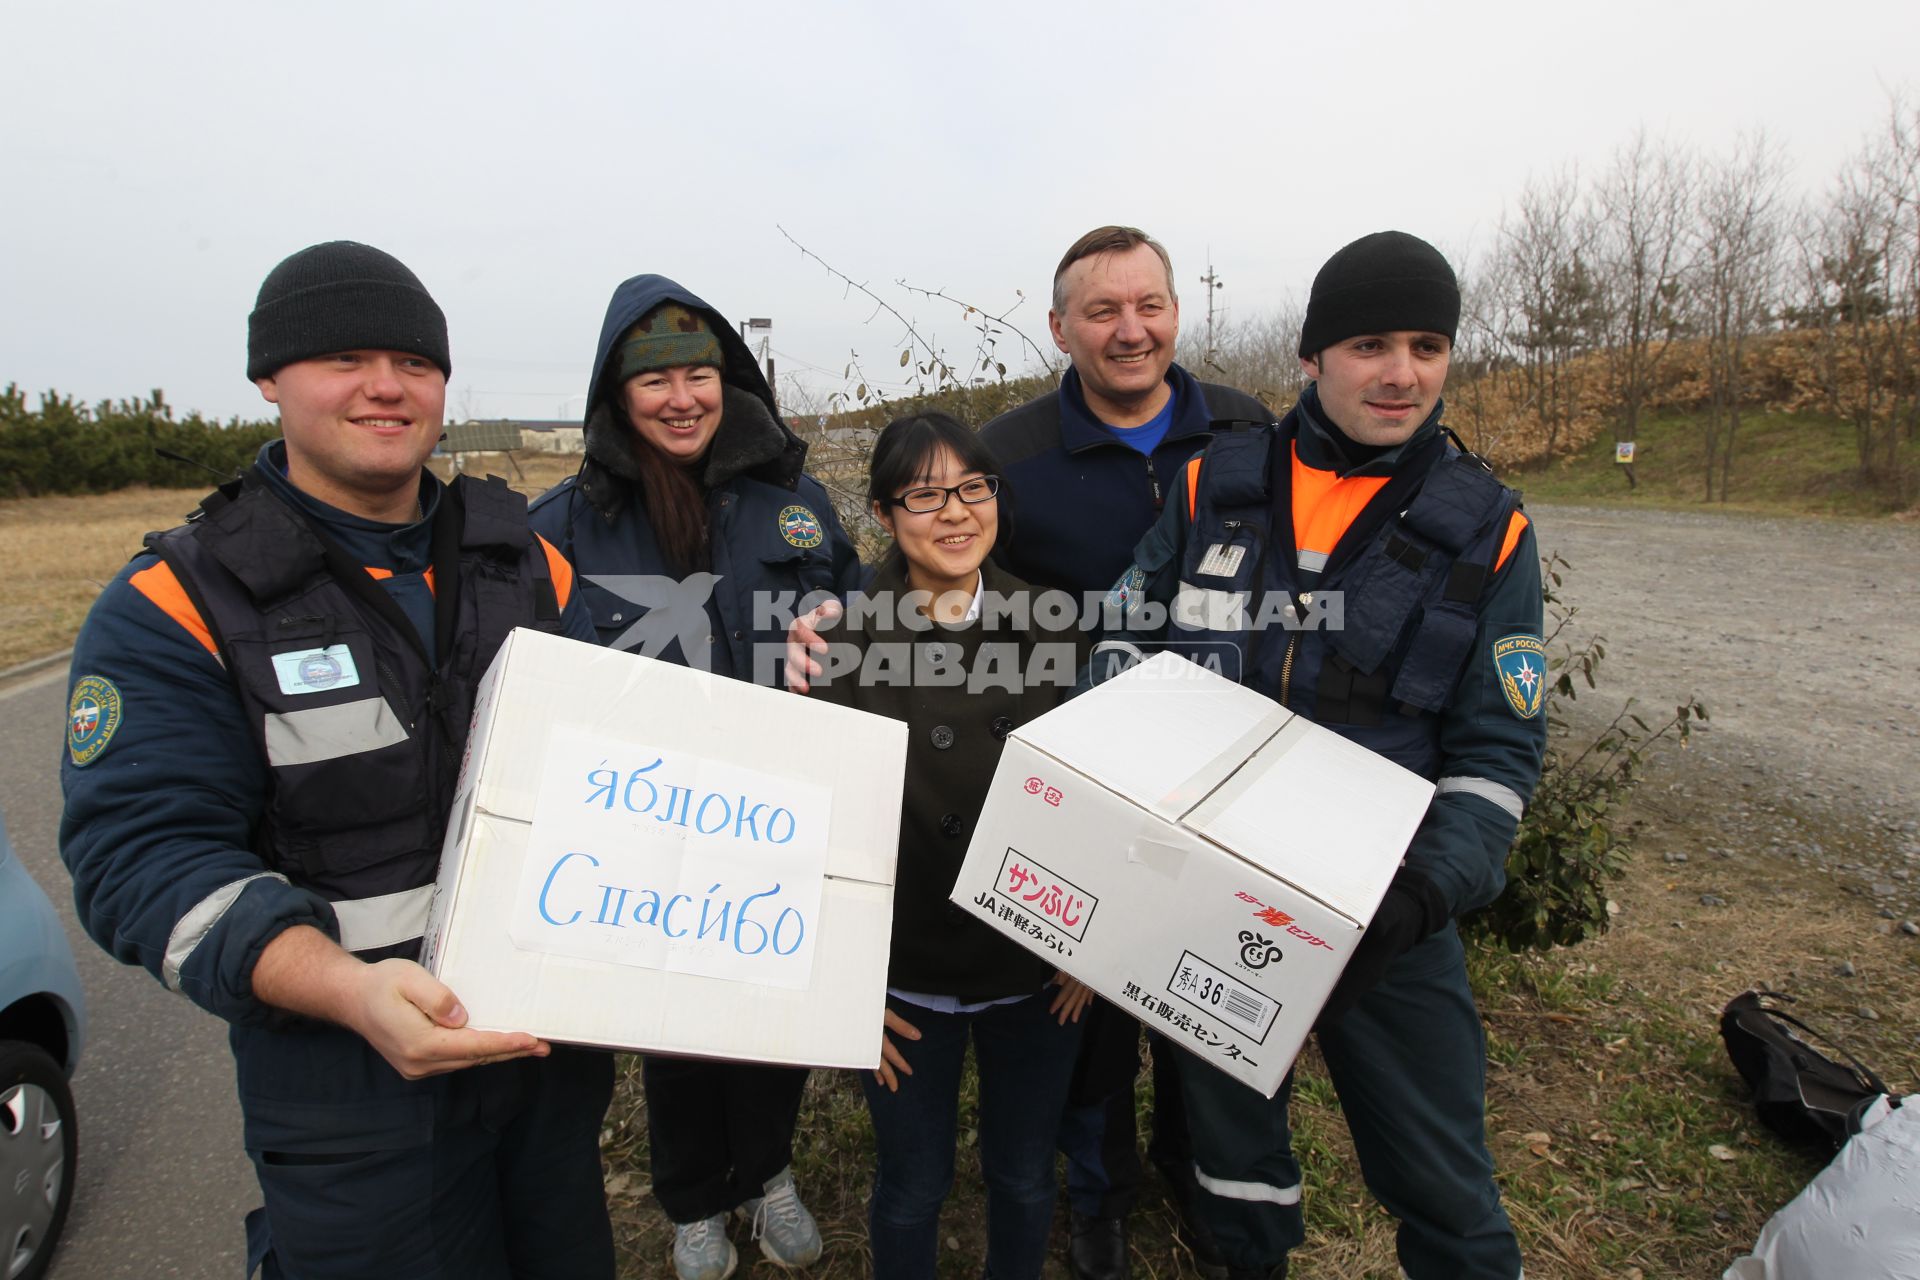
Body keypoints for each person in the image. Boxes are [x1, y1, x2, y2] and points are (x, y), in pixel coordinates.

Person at [59, 241, 616, 1279]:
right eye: (344, 357)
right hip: (349, 1090)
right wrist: (347, 990)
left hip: (543, 1070)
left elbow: (614, 777)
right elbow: (142, 860)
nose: (386, 385)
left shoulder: (528, 561)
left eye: (414, 361)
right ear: (270, 377)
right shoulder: (178, 603)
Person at [1090, 231, 1546, 1280]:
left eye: (1428, 344)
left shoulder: (1490, 531)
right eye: (1371, 343)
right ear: (1311, 356)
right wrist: (1120, 770)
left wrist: (1423, 895)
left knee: (1444, 1179)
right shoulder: (1213, 485)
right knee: (1232, 1160)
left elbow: (1498, 751)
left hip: (1388, 910)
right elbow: (1122, 629)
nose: (1402, 372)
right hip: (1214, 884)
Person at [528, 273, 860, 1280]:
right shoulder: (565, 523)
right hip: (647, 826)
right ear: (616, 396)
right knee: (674, 1031)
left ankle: (767, 1171)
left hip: (777, 816)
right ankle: (692, 1197)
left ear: (731, 382)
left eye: (699, 375)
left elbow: (856, 614)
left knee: (767, 1010)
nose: (681, 397)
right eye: (656, 380)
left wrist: (840, 635)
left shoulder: (794, 505)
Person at [984, 225, 1272, 1280]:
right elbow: (947, 585)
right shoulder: (1009, 455)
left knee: (1205, 990)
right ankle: (1098, 1193)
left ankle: (1198, 1166)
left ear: (1176, 312)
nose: (1129, 329)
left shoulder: (1247, 431)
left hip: (1227, 768)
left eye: (1147, 304)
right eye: (1101, 311)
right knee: (1092, 1001)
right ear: (1060, 327)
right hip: (1085, 778)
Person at [802, 411, 1093, 1280]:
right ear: (885, 516)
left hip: (1035, 967)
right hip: (905, 978)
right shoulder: (841, 648)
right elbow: (819, 834)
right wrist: (846, 984)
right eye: (925, 495)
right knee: (911, 1184)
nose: (955, 512)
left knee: (1024, 1173)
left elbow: (1100, 802)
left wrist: (1095, 944)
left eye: (973, 487)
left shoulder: (1056, 630)